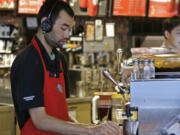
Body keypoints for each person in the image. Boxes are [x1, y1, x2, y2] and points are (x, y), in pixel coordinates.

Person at [10, 0, 122, 135]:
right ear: (46, 23)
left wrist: (92, 128)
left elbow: (62, 115)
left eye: (70, 30)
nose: (67, 35)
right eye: (63, 28)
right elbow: (40, 120)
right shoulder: (28, 61)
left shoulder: (60, 60)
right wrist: (90, 130)